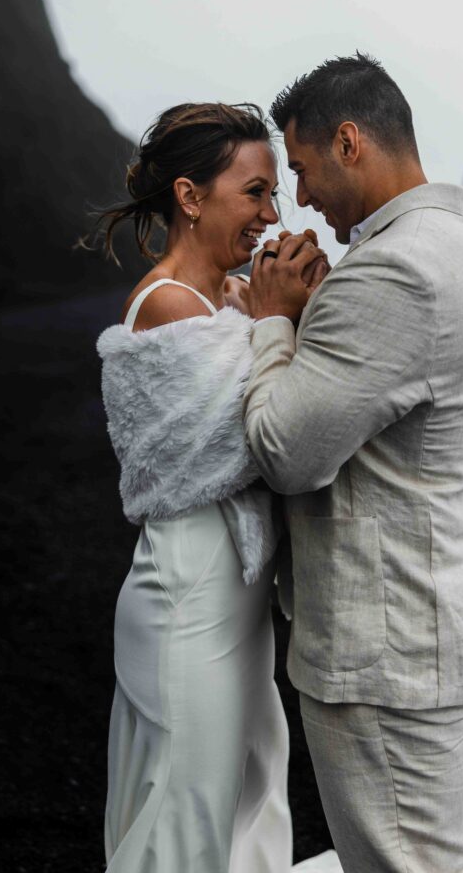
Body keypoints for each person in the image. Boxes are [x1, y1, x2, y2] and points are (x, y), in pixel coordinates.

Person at [243, 52, 463, 873]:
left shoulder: (395, 269)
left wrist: (276, 320)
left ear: (350, 141)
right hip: (419, 610)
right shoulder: (450, 245)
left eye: (300, 168)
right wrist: (326, 308)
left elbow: (286, 453)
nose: (299, 198)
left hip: (385, 633)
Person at [94, 102, 338, 872]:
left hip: (233, 596)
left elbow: (281, 408)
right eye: (256, 192)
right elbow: (252, 445)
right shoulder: (167, 302)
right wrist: (275, 321)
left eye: (274, 193)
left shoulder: (223, 306)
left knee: (250, 789)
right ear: (191, 198)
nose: (274, 213)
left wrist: (268, 318)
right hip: (187, 594)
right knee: (186, 808)